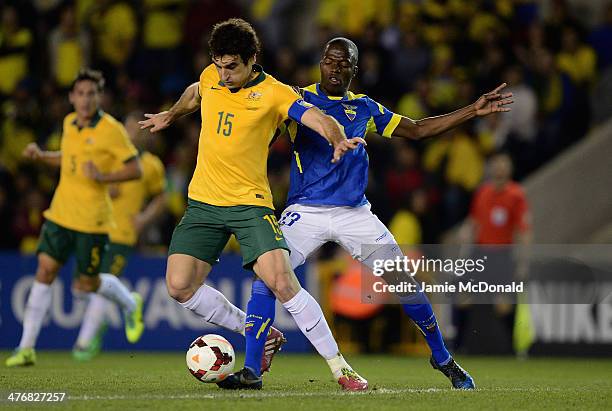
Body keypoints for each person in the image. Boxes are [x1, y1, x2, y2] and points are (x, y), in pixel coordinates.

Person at [263, 37, 513, 389]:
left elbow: (419, 130)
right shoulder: (296, 98)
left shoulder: (365, 107)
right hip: (305, 211)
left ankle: (442, 356)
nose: (335, 68)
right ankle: (252, 367)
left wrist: (472, 110)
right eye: (330, 61)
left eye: (344, 63)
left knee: (405, 283)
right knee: (268, 275)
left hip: (355, 213)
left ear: (355, 69)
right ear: (320, 63)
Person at [139, 19, 367, 390]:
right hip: (203, 204)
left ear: (252, 60)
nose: (225, 74)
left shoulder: (275, 93)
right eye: (219, 65)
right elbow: (196, 91)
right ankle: (269, 335)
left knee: (282, 282)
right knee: (179, 286)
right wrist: (172, 113)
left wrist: (337, 138)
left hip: (250, 205)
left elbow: (317, 117)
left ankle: (341, 369)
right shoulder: (211, 76)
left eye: (233, 67)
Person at [6, 69, 145, 367]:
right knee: (44, 270)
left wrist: (104, 176)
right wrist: (43, 155)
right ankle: (26, 347)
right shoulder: (69, 123)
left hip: (92, 221)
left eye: (90, 94)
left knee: (86, 284)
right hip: (60, 214)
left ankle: (129, 302)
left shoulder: (111, 129)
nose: (85, 100)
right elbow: (68, 155)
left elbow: (136, 169)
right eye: (80, 94)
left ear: (99, 97)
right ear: (71, 97)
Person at [72, 111, 168, 361]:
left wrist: (145, 219)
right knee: (81, 287)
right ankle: (128, 303)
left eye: (137, 130)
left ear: (145, 136)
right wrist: (101, 185)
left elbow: (161, 197)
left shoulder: (151, 165)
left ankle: (83, 344)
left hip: (122, 233)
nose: (131, 133)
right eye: (128, 128)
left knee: (99, 283)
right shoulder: (110, 157)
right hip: (94, 228)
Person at [457, 153, 532, 354]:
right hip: (479, 253)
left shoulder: (516, 194)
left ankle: (515, 348)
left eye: (503, 165)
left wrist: (523, 261)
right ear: (490, 169)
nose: (499, 169)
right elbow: (473, 221)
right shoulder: (482, 192)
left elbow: (523, 229)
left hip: (502, 255)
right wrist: (466, 232)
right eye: (496, 165)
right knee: (462, 297)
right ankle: (458, 345)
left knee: (503, 305)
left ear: (509, 170)